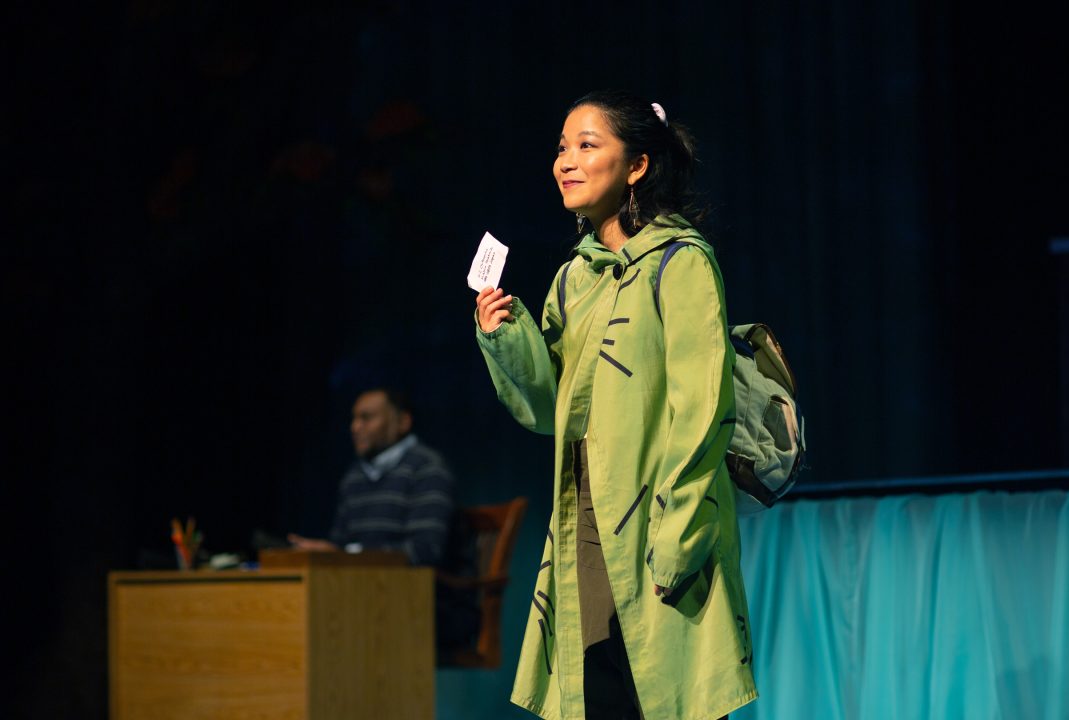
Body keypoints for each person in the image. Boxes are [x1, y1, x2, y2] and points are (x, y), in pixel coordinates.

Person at [475, 90, 755, 720]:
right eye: (561, 147)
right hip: (587, 530)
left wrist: (680, 536)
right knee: (600, 699)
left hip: (661, 530)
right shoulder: (576, 276)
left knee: (668, 698)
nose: (565, 161)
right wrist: (506, 334)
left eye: (586, 145)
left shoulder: (680, 262)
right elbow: (547, 408)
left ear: (637, 166)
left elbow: (704, 410)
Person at [288, 387, 477, 651]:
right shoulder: (353, 478)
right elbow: (341, 545)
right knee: (298, 615)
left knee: (331, 626)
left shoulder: (427, 469)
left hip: (430, 603)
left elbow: (424, 551)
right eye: (353, 419)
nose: (355, 427)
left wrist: (347, 556)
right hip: (367, 597)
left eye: (367, 418)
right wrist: (329, 554)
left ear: (402, 422)